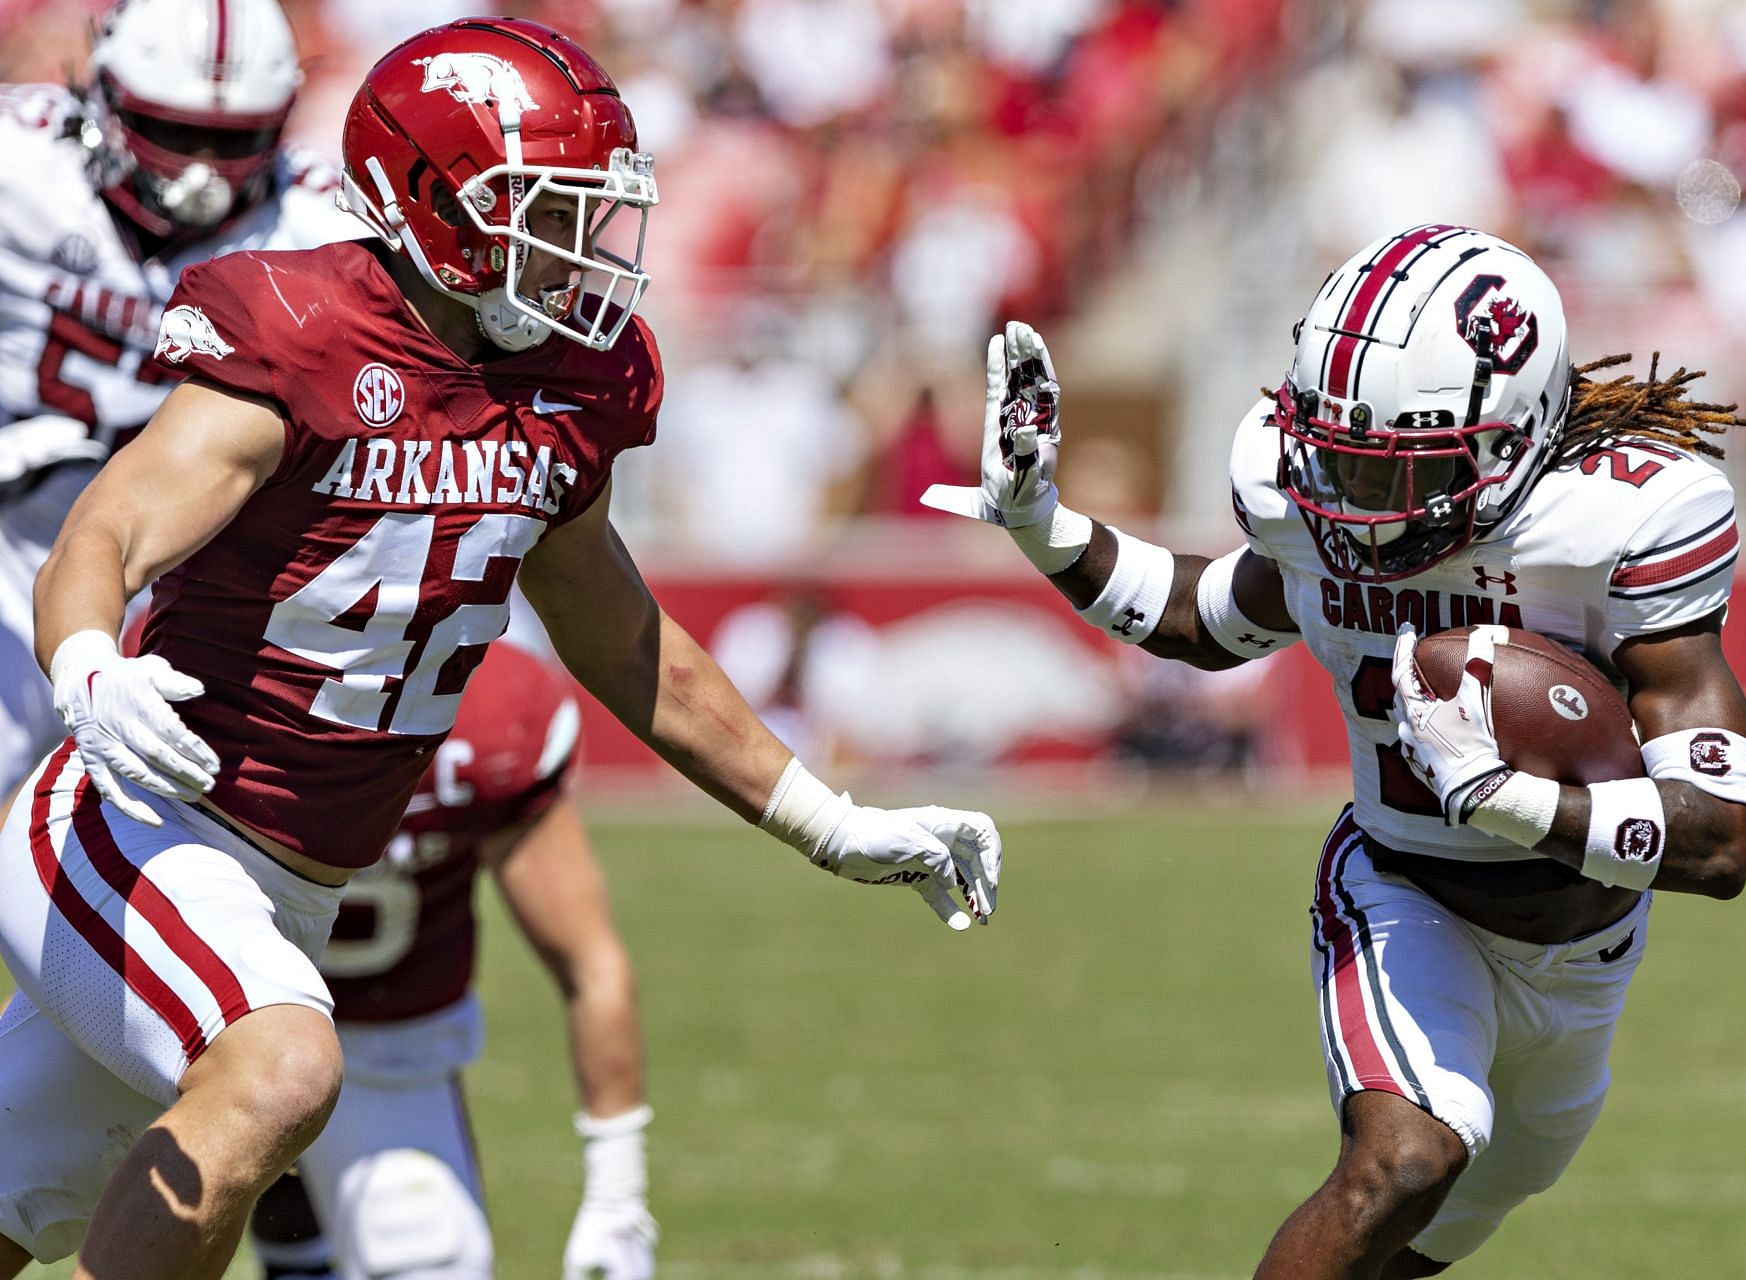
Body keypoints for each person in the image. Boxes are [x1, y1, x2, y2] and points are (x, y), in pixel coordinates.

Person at [0, 17, 1001, 1279]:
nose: (582, 244)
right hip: (136, 823)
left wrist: (826, 817)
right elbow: (113, 522)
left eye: (591, 210)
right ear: (433, 204)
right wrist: (87, 663)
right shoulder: (301, 327)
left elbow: (617, 628)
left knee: (24, 1189)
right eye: (547, 207)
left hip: (290, 882)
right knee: (284, 1067)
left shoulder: (572, 380)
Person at [925, 224, 1746, 1278]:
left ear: (1516, 433)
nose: (1364, 507)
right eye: (1349, 462)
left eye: (1400, 470)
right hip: (1402, 889)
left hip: (1587, 945)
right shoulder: (1305, 501)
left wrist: (1514, 803)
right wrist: (1044, 523)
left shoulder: (1618, 523)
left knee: (1422, 1233)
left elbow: (1720, 842)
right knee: (1404, 1161)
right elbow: (1207, 614)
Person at [0, 0, 359, 789]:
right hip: (11, 528)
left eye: (233, 140)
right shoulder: (19, 163)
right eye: (170, 131)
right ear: (106, 99)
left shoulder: (320, 222)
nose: (199, 170)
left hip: (189, 559)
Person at [247, 640, 657, 1280]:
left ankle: (297, 1242)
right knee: (49, 1201)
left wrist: (617, 1193)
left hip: (388, 1044)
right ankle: (290, 1227)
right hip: (196, 1023)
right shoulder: (214, 643)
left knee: (427, 1260)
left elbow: (589, 963)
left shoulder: (497, 710)